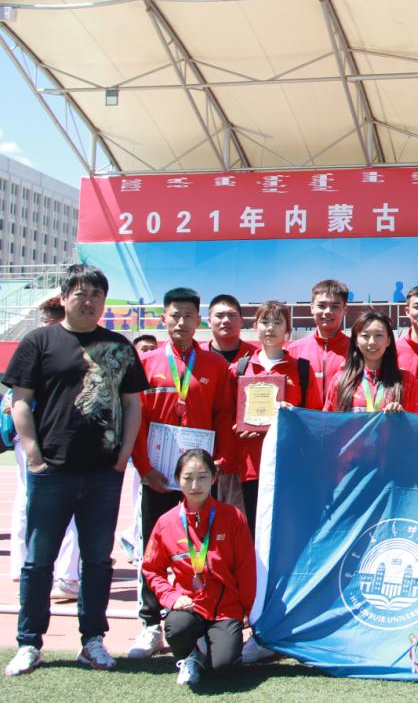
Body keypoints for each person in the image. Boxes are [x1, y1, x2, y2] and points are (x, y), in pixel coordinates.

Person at [2, 264, 147, 677]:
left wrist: (122, 457)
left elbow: (133, 405)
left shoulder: (118, 346)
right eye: (81, 293)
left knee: (97, 561)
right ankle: (29, 642)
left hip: (103, 473)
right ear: (64, 297)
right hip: (51, 471)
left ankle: (93, 640)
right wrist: (34, 455)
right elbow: (20, 401)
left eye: (97, 294)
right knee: (38, 562)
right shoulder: (39, 341)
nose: (89, 301)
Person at [128, 287, 235, 660]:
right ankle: (149, 624)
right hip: (158, 475)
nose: (182, 322)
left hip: (200, 479)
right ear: (163, 318)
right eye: (175, 315)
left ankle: (202, 620)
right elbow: (136, 420)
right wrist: (144, 468)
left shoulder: (215, 366)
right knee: (153, 549)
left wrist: (220, 460)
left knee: (204, 550)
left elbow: (224, 414)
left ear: (198, 320)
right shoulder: (146, 363)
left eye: (189, 315)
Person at [141, 449, 255, 687]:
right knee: (177, 627)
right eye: (188, 478)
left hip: (225, 607)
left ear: (214, 478)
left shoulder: (232, 517)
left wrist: (247, 609)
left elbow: (246, 568)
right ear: (177, 479)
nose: (195, 485)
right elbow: (151, 569)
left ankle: (207, 645)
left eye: (202, 477)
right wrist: (171, 597)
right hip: (189, 605)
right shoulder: (166, 523)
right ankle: (188, 656)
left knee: (224, 667)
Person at [5, 300, 82, 599]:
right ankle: (56, 574)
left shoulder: (41, 347)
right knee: (45, 503)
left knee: (33, 501)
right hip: (39, 440)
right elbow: (14, 401)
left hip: (48, 439)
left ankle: (39, 570)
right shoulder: (41, 349)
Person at [232, 301, 321, 532]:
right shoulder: (240, 368)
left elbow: (314, 416)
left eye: (277, 322)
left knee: (287, 531)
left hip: (289, 462)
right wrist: (239, 427)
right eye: (264, 322)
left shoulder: (301, 369)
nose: (270, 328)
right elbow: (228, 414)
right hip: (252, 464)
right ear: (255, 327)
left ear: (287, 330)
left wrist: (292, 417)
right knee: (254, 530)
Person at [200, 293, 257, 513]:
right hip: (202, 454)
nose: (226, 320)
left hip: (244, 458)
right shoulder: (196, 357)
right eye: (219, 315)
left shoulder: (257, 357)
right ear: (208, 320)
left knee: (239, 521)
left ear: (242, 321)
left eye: (232, 315)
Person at [326, 311, 418, 414]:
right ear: (356, 341)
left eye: (379, 335)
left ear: (388, 340)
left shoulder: (406, 380)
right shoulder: (340, 380)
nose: (372, 342)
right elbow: (327, 421)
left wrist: (402, 417)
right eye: (365, 335)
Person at [286, 279, 350, 404]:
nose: (328, 311)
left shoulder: (356, 350)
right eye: (321, 306)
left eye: (335, 306)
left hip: (343, 416)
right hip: (304, 417)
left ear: (345, 310)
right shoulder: (293, 351)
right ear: (312, 308)